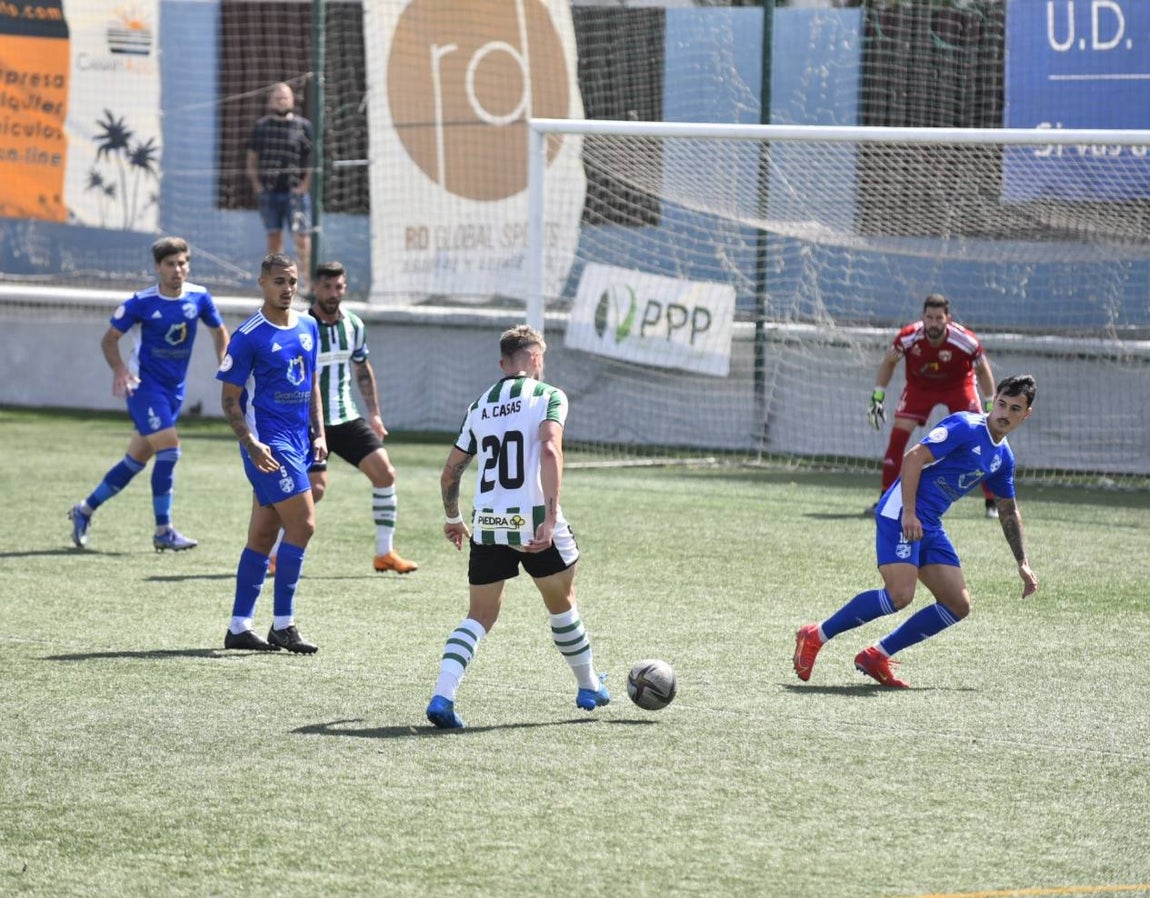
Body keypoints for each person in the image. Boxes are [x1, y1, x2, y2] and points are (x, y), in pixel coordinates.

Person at [794, 374, 1039, 688]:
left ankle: (876, 655)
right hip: (901, 512)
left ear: (1026, 413)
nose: (1004, 413)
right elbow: (913, 458)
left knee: (957, 604)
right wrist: (909, 512)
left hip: (929, 522)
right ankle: (815, 635)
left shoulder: (1003, 457)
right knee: (900, 595)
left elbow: (1007, 508)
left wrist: (1022, 562)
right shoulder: (965, 427)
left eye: (1015, 408)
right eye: (1002, 404)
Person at [425, 324, 609, 729]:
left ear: (503, 363)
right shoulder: (548, 395)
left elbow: (450, 472)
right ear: (538, 358)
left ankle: (442, 695)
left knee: (479, 615)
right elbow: (549, 447)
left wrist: (454, 518)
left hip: (489, 523)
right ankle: (589, 685)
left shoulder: (479, 405)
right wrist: (547, 516)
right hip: (532, 523)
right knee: (562, 601)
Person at [68, 237, 228, 552]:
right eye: (170, 264)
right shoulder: (141, 302)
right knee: (170, 451)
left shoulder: (199, 297)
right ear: (158, 267)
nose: (177, 270)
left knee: (135, 460)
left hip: (173, 391)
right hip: (144, 388)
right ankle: (163, 530)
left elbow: (219, 330)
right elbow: (109, 339)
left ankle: (83, 510)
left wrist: (225, 362)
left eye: (182, 263)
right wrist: (120, 371)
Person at [267, 261, 418, 575]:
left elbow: (362, 369)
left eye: (339, 287)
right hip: (307, 421)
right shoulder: (300, 325)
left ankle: (384, 553)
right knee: (313, 489)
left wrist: (374, 414)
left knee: (384, 473)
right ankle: (275, 553)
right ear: (315, 289)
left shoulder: (353, 325)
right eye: (327, 287)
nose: (333, 293)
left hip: (346, 417)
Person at [217, 253, 327, 653]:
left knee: (264, 534)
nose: (287, 289)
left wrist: (319, 430)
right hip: (267, 444)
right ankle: (284, 624)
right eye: (279, 281)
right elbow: (230, 399)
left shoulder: (310, 326)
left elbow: (312, 380)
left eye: (293, 282)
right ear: (262, 282)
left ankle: (239, 627)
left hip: (299, 441)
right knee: (304, 524)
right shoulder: (248, 335)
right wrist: (250, 443)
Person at [867, 293, 998, 518]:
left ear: (948, 318)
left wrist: (989, 403)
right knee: (897, 440)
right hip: (920, 388)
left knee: (980, 438)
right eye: (930, 317)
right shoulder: (907, 337)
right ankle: (885, 498)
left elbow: (983, 369)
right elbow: (889, 362)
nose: (934, 323)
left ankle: (991, 502)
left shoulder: (966, 340)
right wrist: (877, 395)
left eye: (939, 318)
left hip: (959, 387)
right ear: (923, 317)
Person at [246, 82, 312, 293]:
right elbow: (252, 159)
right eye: (277, 98)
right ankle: (276, 283)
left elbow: (312, 159)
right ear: (270, 101)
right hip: (270, 193)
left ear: (292, 100)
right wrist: (257, 185)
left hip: (295, 193)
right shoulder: (262, 126)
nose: (281, 101)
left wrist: (305, 185)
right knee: (274, 240)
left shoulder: (303, 126)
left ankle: (306, 282)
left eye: (285, 97)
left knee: (302, 238)